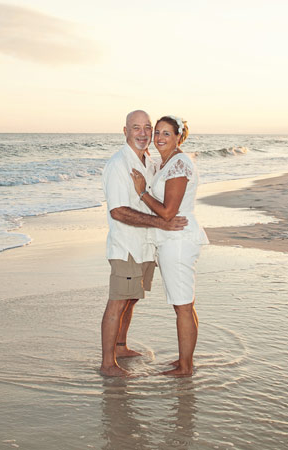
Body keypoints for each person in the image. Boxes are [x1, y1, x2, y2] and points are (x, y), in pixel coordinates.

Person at [100, 110, 188, 377]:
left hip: (145, 245)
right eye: (135, 127)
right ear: (124, 131)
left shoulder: (149, 162)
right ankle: (107, 364)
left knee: (130, 299)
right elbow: (118, 211)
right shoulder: (119, 165)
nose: (142, 133)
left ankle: (121, 346)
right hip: (126, 245)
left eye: (147, 128)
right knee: (117, 301)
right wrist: (162, 224)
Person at [130, 115, 208, 377]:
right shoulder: (168, 163)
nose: (160, 138)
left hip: (178, 241)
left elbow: (167, 212)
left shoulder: (178, 164)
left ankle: (185, 367)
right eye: (158, 133)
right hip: (173, 240)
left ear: (178, 137)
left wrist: (142, 192)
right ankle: (185, 360)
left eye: (166, 133)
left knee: (183, 305)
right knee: (184, 304)